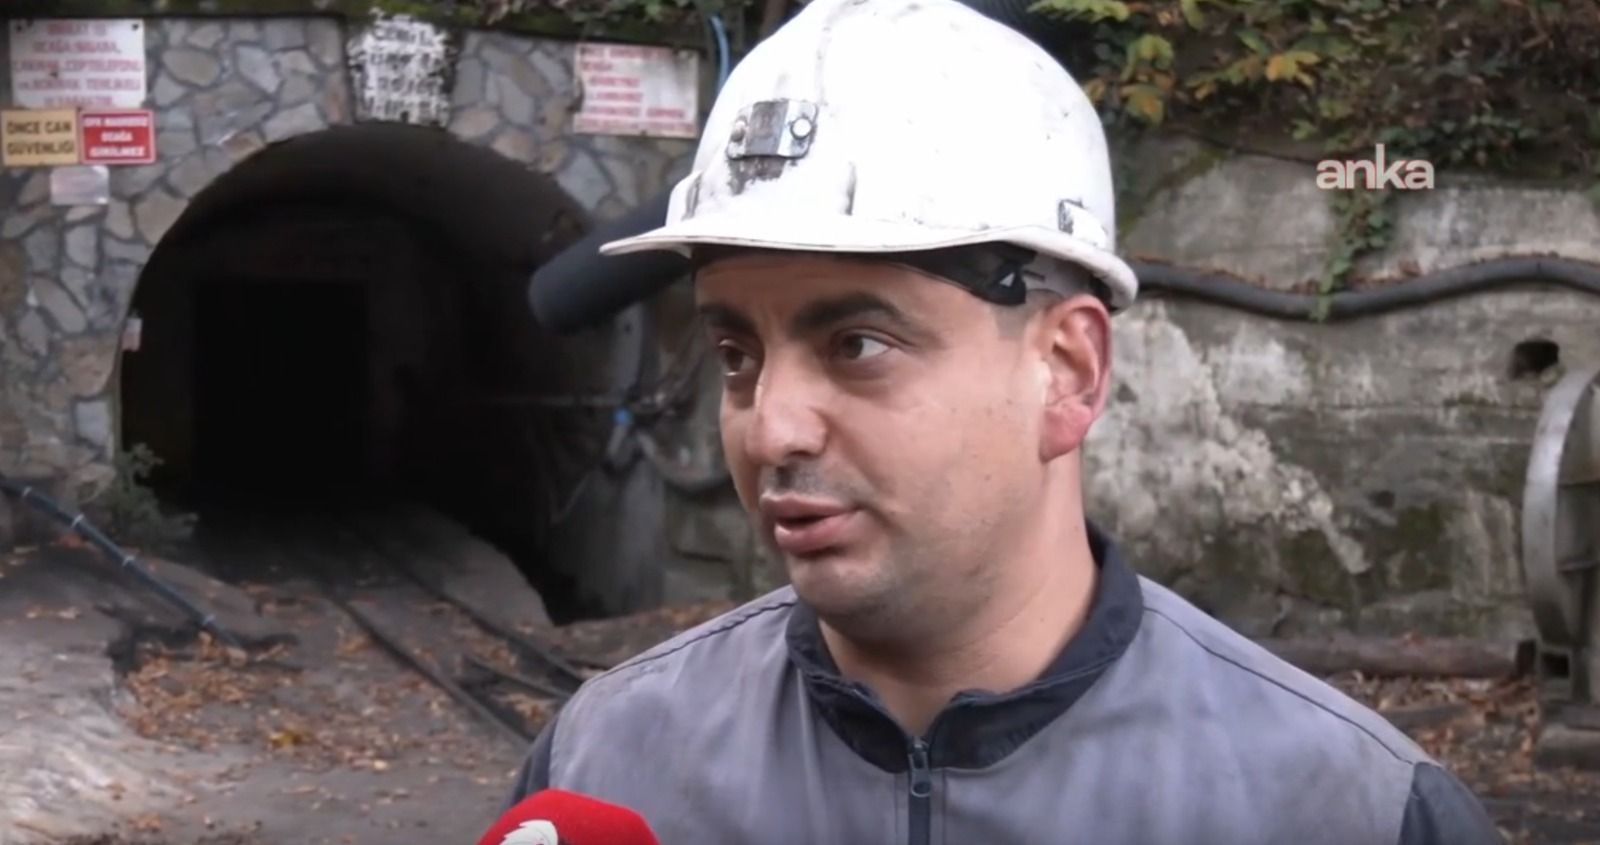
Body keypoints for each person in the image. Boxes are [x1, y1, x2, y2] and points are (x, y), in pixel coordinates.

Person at [504, 0, 1505, 841]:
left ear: (1067, 371)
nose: (772, 431)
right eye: (737, 356)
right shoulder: (607, 760)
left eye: (857, 344)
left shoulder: (1351, 811)